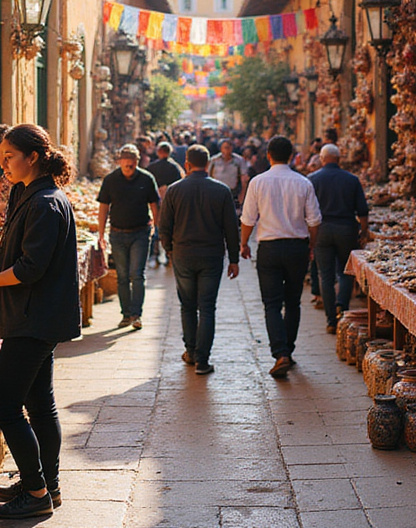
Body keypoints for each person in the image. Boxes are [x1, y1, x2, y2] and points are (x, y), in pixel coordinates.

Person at [0, 124, 80, 519]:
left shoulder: (45, 202)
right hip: (35, 315)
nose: (4, 166)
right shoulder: (32, 194)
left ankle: (36, 495)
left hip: (33, 318)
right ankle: (46, 483)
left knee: (4, 406)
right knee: (39, 403)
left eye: (9, 158)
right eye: (1, 159)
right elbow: (23, 253)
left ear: (33, 157)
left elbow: (31, 267)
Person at [240, 135, 322, 378]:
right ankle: (289, 350)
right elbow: (315, 221)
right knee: (293, 302)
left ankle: (280, 353)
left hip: (270, 249)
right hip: (297, 247)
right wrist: (311, 246)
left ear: (268, 155)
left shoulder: (258, 182)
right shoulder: (303, 182)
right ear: (291, 156)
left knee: (272, 304)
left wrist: (244, 243)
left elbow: (247, 219)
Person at [158, 144, 240, 375]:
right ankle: (202, 360)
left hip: (183, 254)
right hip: (211, 256)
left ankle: (191, 351)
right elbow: (231, 228)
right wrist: (234, 258)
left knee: (187, 305)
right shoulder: (222, 190)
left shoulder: (174, 190)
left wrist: (170, 250)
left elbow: (164, 227)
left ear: (187, 163)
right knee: (207, 307)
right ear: (208, 164)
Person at [97, 144, 160, 330]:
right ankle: (126, 315)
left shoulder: (147, 179)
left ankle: (136, 315)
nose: (128, 164)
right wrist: (101, 233)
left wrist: (157, 229)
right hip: (117, 233)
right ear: (120, 161)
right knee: (122, 276)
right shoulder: (110, 180)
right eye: (125, 161)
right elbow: (103, 207)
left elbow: (155, 205)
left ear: (136, 161)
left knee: (137, 274)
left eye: (132, 161)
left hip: (140, 233)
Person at [309, 143, 370, 334]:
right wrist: (364, 231)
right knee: (345, 271)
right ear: (339, 158)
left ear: (322, 158)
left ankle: (330, 320)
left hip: (322, 230)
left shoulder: (312, 179)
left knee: (325, 275)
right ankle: (342, 309)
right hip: (346, 229)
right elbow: (362, 210)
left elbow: (307, 210)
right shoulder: (351, 179)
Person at [147, 140, 185, 266]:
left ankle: (156, 254)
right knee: (171, 227)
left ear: (158, 152)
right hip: (171, 202)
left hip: (155, 202)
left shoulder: (152, 167)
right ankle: (170, 254)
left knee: (157, 226)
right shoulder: (175, 167)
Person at [208, 138, 248, 206]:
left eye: (229, 147)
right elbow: (208, 175)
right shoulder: (214, 160)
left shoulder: (239, 160)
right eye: (225, 147)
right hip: (215, 193)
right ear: (221, 149)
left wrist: (242, 195)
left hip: (232, 193)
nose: (227, 150)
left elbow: (244, 179)